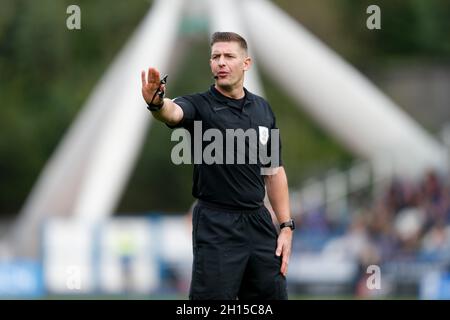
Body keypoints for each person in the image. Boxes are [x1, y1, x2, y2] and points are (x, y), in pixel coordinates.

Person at [141, 31, 294, 300]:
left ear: (246, 63)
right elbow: (173, 112)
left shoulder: (263, 110)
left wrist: (285, 227)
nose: (220, 62)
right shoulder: (199, 105)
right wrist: (156, 103)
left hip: (259, 222)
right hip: (216, 224)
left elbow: (274, 172)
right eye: (215, 57)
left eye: (228, 56)